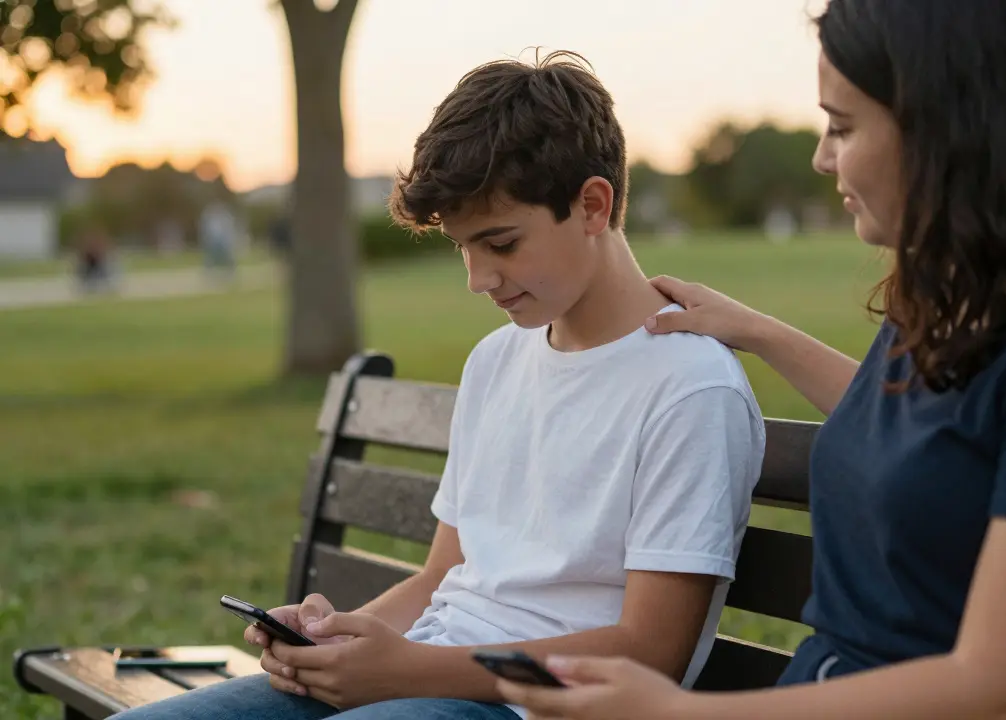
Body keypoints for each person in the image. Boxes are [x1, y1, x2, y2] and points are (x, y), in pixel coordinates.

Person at [499, 1, 1006, 719]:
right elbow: (915, 430)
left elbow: (1000, 688)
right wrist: (758, 331)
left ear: (948, 126)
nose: (822, 156)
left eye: (841, 126)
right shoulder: (959, 297)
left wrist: (682, 714)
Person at [114, 51, 765, 720]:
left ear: (593, 205)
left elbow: (649, 649)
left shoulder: (690, 389)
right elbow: (439, 580)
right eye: (463, 247)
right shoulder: (495, 362)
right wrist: (335, 641)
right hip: (425, 674)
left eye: (502, 243)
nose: (477, 278)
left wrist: (409, 671)